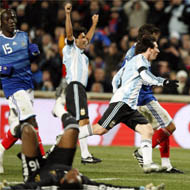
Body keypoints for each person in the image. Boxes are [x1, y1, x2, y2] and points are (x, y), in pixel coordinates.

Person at [55, 35, 178, 173]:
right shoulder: (140, 60)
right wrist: (164, 81)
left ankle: (148, 164)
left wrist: (116, 90)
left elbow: (118, 76)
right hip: (122, 103)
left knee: (147, 130)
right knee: (100, 129)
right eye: (155, 48)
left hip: (129, 107)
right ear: (149, 49)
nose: (158, 51)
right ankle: (66, 136)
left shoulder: (136, 61)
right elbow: (144, 76)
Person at [1, 111, 165, 190]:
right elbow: (112, 188)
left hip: (36, 172)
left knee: (28, 130)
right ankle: (59, 108)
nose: (77, 172)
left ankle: (15, 129)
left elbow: (27, 188)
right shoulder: (86, 185)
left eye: (74, 176)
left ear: (63, 182)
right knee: (73, 128)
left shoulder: (46, 186)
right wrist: (143, 189)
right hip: (60, 162)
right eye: (78, 176)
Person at [120, 24, 183, 173]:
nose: (156, 44)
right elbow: (140, 76)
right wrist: (160, 81)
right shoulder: (138, 54)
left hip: (141, 96)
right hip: (143, 98)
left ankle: (166, 165)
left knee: (161, 128)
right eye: (154, 39)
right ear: (146, 37)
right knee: (170, 126)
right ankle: (141, 152)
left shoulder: (132, 52)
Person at [52, 3, 101, 164]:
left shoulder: (83, 55)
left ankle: (85, 155)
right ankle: (58, 146)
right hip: (74, 86)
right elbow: (69, 33)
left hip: (78, 88)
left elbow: (88, 37)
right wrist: (67, 14)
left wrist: (94, 24)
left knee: (79, 122)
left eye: (86, 38)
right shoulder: (70, 49)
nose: (86, 40)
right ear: (76, 39)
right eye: (83, 37)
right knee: (83, 121)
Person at [0, 9, 45, 174]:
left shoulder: (23, 36)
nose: (12, 21)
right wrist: (3, 68)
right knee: (32, 121)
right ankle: (42, 159)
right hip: (13, 87)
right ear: (1, 22)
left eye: (13, 19)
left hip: (28, 85)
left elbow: (29, 56)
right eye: (8, 19)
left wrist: (33, 53)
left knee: (20, 126)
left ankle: (0, 149)